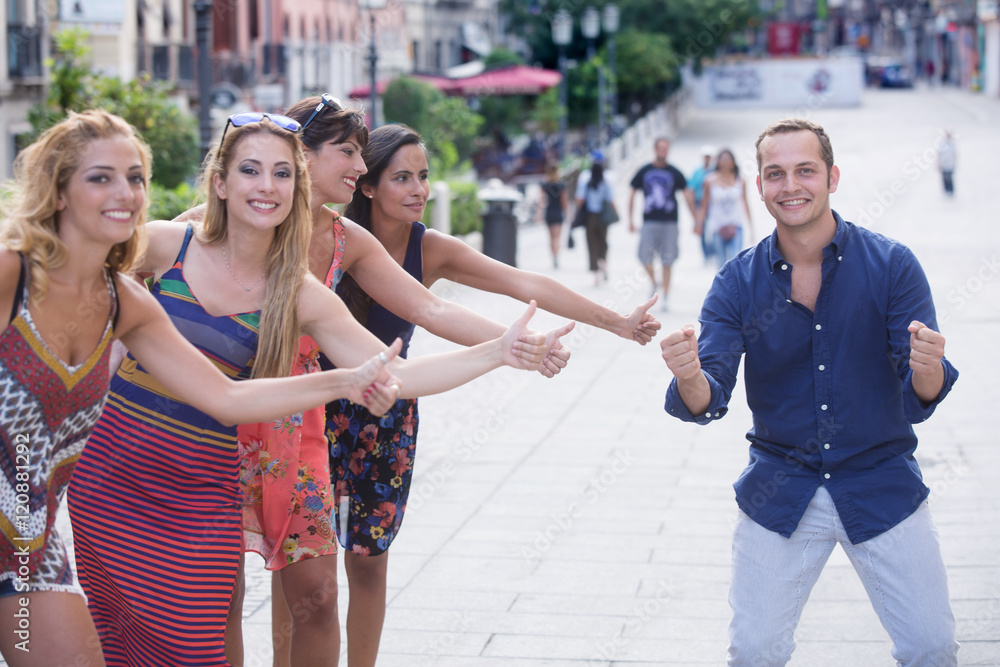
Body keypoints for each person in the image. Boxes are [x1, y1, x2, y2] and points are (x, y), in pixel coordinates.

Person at [67, 111, 563, 667]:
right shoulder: (163, 245)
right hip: (112, 479)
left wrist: (497, 352)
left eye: (282, 173)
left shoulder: (299, 292)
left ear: (297, 188)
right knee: (124, 641)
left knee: (194, 644)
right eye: (250, 170)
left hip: (204, 483)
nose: (266, 185)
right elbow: (70, 286)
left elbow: (392, 377)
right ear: (220, 182)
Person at [246, 97, 658, 667]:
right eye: (400, 176)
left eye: (424, 177)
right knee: (292, 568)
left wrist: (599, 325)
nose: (418, 189)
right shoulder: (289, 223)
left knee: (359, 561)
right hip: (300, 407)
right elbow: (182, 244)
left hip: (384, 404)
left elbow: (484, 294)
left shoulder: (391, 245)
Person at [0, 109, 401, 666]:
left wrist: (353, 379)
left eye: (136, 178)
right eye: (101, 178)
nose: (127, 193)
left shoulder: (128, 302)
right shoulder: (12, 276)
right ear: (59, 191)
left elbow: (225, 398)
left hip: (25, 530)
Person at [660, 118, 959, 667]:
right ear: (759, 186)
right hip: (781, 484)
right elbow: (708, 395)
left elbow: (923, 394)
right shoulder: (736, 282)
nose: (790, 186)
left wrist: (927, 366)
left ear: (833, 177)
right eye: (775, 174)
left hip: (881, 478)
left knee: (931, 648)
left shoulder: (892, 266)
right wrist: (688, 375)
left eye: (805, 170)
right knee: (753, 652)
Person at [627, 137, 696, 310]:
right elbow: (632, 193)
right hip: (649, 221)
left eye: (666, 149)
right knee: (644, 255)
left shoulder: (674, 172)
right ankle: (654, 282)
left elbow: (687, 194)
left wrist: (696, 218)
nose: (663, 152)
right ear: (655, 149)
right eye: (660, 148)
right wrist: (630, 219)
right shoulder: (644, 171)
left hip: (670, 222)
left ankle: (665, 295)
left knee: (668, 259)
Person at [695, 148, 753, 269]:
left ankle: (736, 287)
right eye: (723, 159)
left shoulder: (740, 180)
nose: (725, 162)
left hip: (736, 225)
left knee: (736, 259)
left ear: (733, 162)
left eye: (728, 159)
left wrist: (751, 227)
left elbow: (745, 203)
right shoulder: (709, 180)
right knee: (721, 263)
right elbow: (704, 204)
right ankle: (722, 287)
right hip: (718, 226)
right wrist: (699, 224)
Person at [575, 159, 617, 286]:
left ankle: (596, 274)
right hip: (603, 217)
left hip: (590, 217)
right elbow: (611, 200)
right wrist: (616, 213)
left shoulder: (586, 183)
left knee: (591, 244)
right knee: (603, 242)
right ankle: (603, 263)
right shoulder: (606, 183)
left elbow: (580, 199)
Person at [688, 144, 715, 263]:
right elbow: (691, 189)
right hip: (700, 202)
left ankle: (714, 250)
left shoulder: (715, 170)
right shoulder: (697, 172)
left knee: (714, 227)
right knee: (701, 227)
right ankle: (706, 253)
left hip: (713, 203)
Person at [540, 162, 568, 268]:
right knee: (557, 238)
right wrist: (567, 214)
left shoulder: (545, 185)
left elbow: (541, 201)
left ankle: (553, 257)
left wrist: (538, 214)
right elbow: (564, 202)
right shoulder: (561, 185)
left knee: (551, 238)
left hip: (549, 212)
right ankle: (556, 256)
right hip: (558, 213)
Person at [938, 129, 956, 196]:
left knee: (950, 178)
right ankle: (946, 190)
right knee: (944, 178)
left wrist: (954, 163)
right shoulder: (942, 143)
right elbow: (939, 154)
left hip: (950, 164)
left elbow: (954, 154)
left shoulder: (952, 144)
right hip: (944, 163)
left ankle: (951, 190)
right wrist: (939, 163)